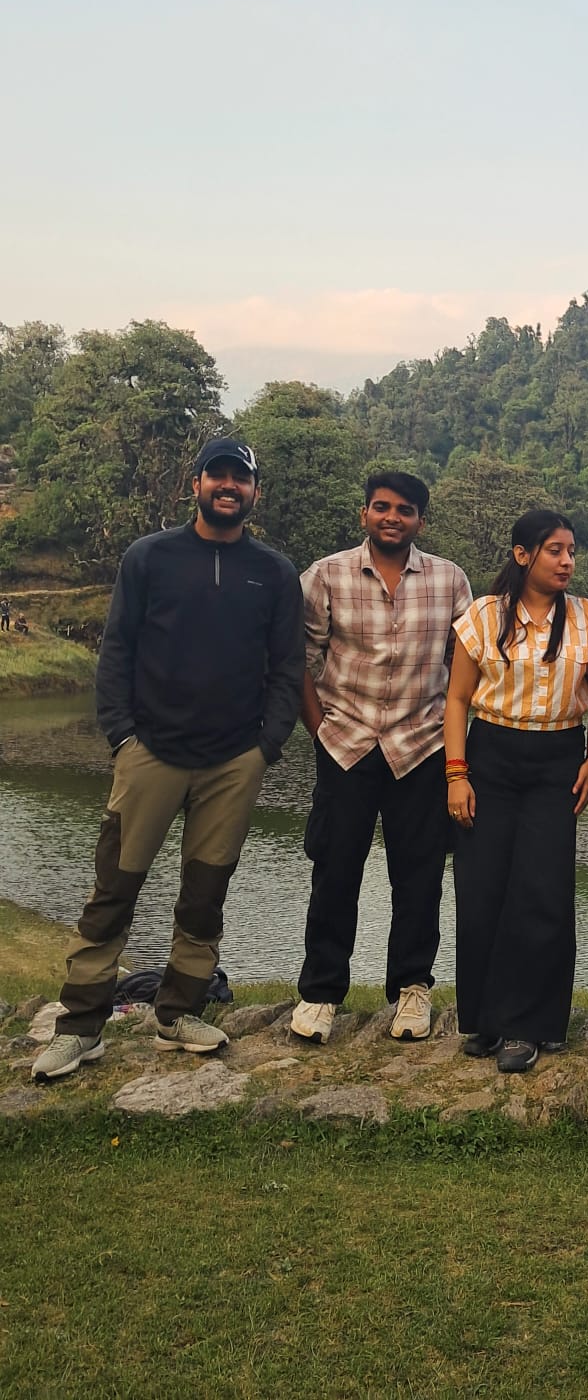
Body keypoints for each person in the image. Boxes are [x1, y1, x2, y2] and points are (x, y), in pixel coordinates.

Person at [32, 438, 303, 1080]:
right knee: (114, 888)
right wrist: (122, 736)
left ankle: (178, 1010)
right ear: (197, 484)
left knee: (206, 894)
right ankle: (81, 1025)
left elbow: (288, 669)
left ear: (255, 492)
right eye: (218, 476)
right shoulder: (149, 558)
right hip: (151, 752)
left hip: (234, 759)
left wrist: (267, 745)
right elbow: (116, 652)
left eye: (241, 478)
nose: (229, 487)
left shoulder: (274, 572)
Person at [289, 471, 471, 1046]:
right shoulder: (326, 575)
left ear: (420, 519)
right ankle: (320, 993)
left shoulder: (449, 580)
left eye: (406, 510)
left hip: (420, 745)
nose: (393, 518)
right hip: (346, 745)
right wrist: (319, 729)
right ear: (364, 513)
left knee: (418, 876)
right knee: (335, 869)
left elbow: (463, 667)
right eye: (382, 508)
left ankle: (412, 989)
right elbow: (300, 659)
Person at [444, 509, 588, 1075]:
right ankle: (485, 1020)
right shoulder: (484, 616)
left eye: (571, 551)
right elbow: (458, 701)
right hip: (490, 755)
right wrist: (457, 774)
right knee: (482, 885)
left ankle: (531, 1025)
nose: (567, 561)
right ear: (522, 555)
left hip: (554, 760)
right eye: (554, 550)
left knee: (541, 890)